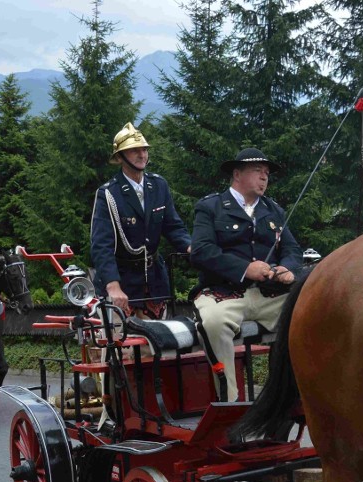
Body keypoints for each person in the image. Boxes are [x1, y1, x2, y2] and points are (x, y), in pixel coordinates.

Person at [190, 148, 302, 401]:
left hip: (269, 295)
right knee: (214, 323)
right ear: (237, 174)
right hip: (225, 293)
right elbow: (201, 251)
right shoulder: (211, 207)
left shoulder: (274, 211)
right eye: (257, 171)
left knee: (312, 307)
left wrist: (287, 268)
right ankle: (229, 404)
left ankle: (292, 396)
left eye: (266, 173)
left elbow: (293, 249)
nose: (264, 178)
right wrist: (244, 268)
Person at [90, 122, 191, 319]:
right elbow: (101, 245)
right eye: (134, 150)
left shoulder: (159, 185)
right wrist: (113, 285)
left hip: (155, 282)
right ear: (119, 157)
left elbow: (173, 226)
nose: (142, 155)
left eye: (144, 149)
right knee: (122, 346)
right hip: (121, 283)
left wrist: (191, 247)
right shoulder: (108, 193)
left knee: (159, 344)